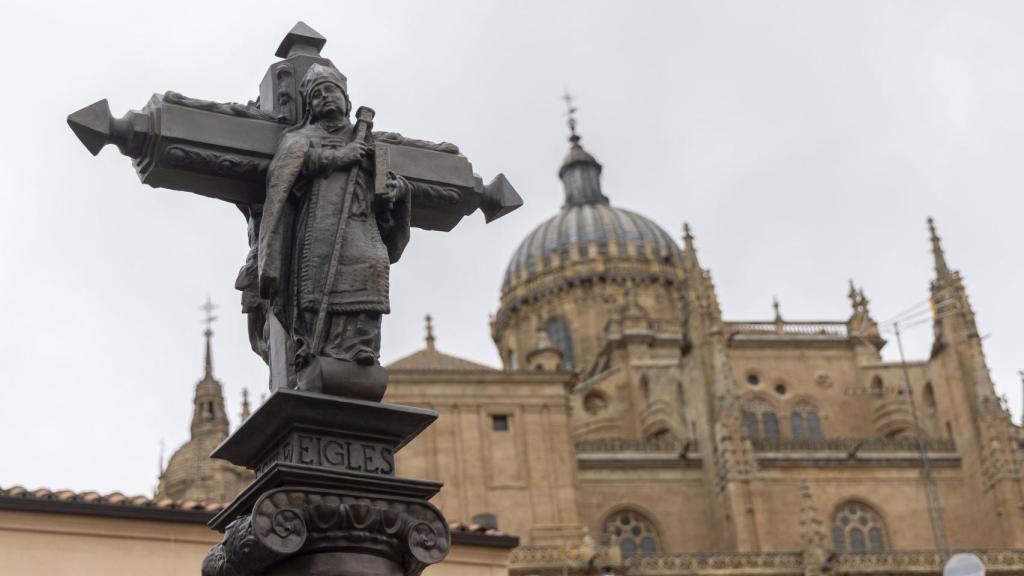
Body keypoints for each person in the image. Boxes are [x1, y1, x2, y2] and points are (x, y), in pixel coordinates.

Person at [258, 63, 411, 371]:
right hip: (320, 227)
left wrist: (397, 189)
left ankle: (361, 346)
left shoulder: (366, 140)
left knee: (371, 270)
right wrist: (337, 157)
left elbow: (388, 181)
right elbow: (286, 170)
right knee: (317, 285)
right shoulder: (302, 137)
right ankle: (319, 347)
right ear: (310, 107)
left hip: (360, 224)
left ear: (346, 99)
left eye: (331, 91)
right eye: (317, 95)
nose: (325, 97)